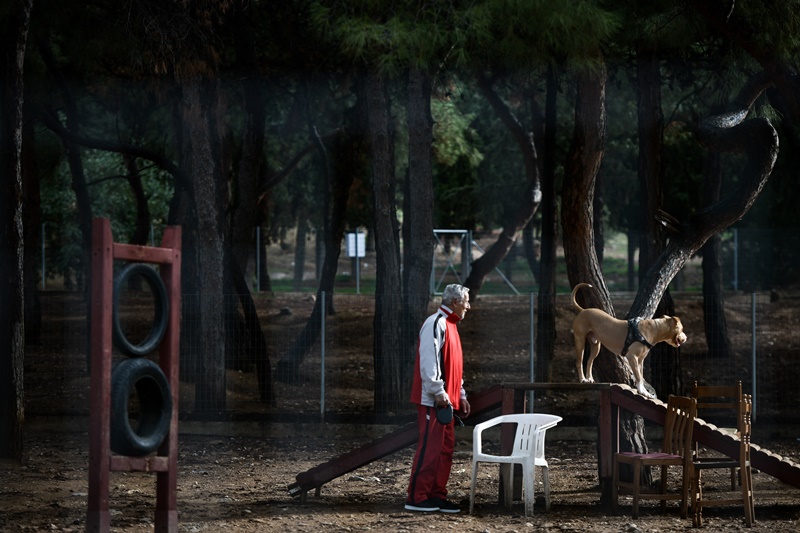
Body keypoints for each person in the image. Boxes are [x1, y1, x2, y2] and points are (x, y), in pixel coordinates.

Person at [405, 284, 472, 513]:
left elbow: (454, 366)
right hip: (435, 400)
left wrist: (460, 394)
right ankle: (417, 497)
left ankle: (435, 494)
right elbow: (429, 362)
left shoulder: (450, 325)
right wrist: (439, 393)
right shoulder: (436, 323)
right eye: (466, 301)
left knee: (444, 451)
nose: (468, 306)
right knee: (430, 450)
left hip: (447, 401)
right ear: (454, 302)